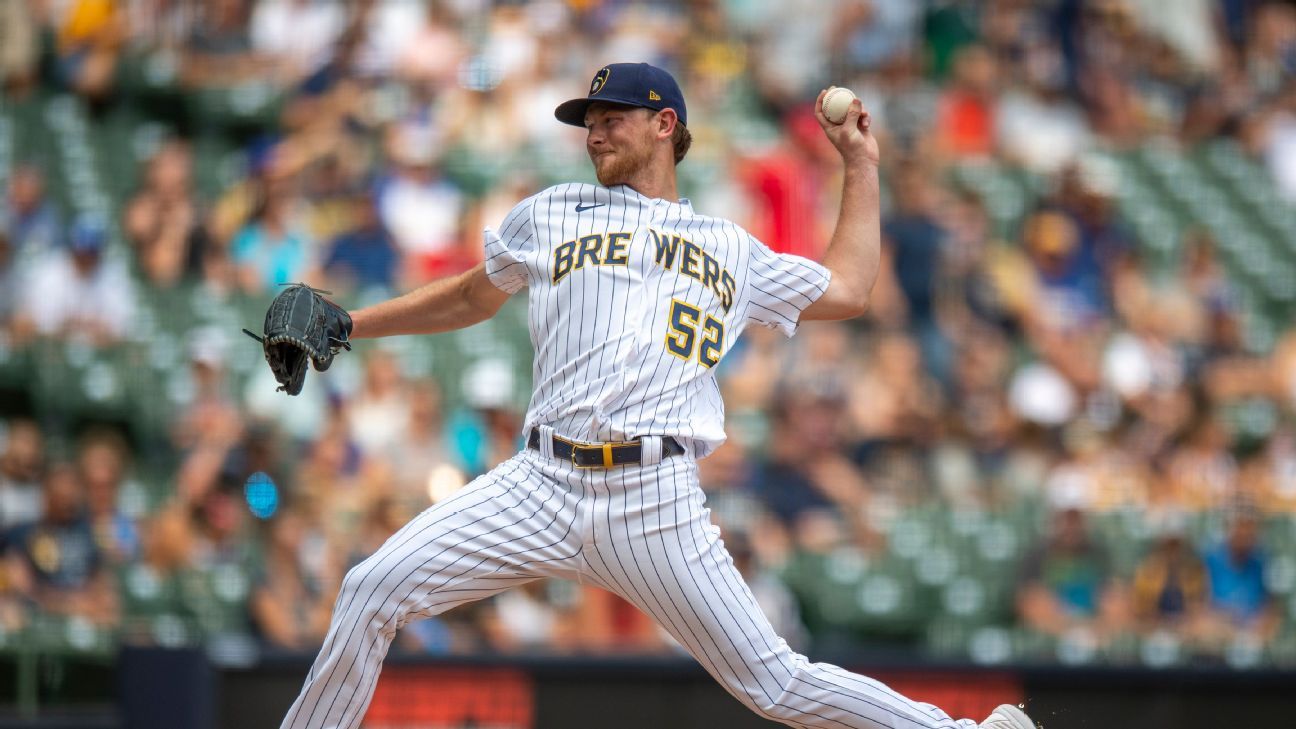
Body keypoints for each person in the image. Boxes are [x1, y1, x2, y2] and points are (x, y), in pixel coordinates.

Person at [277, 63, 1035, 729]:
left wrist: (861, 165)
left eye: (612, 119)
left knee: (774, 681)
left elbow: (849, 287)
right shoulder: (550, 211)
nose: (595, 134)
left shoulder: (730, 246)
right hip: (538, 482)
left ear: (665, 125)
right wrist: (350, 323)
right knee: (370, 587)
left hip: (654, 498)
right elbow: (475, 296)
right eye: (589, 123)